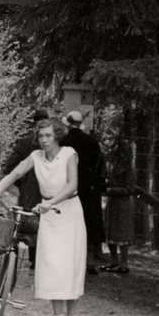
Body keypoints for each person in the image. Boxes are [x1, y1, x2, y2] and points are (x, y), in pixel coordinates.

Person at [0, 119, 86, 316]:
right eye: (41, 136)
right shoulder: (35, 156)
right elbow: (15, 174)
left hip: (69, 212)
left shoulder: (69, 154)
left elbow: (72, 185)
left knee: (70, 266)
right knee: (52, 265)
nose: (44, 140)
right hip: (48, 214)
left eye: (48, 135)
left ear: (57, 135)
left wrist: (51, 203)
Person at [61, 110, 106, 274]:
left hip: (69, 188)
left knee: (69, 223)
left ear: (67, 125)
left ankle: (70, 261)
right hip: (90, 189)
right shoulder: (91, 141)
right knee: (90, 224)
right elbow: (100, 164)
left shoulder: (64, 142)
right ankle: (90, 261)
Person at [1, 113, 46, 270]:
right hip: (47, 191)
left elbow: (9, 167)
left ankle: (34, 259)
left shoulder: (25, 143)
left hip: (29, 192)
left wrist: (23, 183)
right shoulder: (54, 143)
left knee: (31, 222)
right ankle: (42, 259)